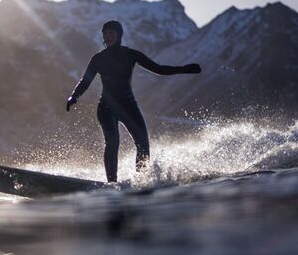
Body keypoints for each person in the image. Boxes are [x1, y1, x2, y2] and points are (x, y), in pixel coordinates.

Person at [66, 20, 201, 182]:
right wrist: (74, 96)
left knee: (143, 143)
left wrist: (183, 69)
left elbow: (158, 69)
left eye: (111, 33)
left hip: (128, 106)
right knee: (112, 143)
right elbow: (85, 81)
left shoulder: (131, 55)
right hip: (106, 108)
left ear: (119, 35)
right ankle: (112, 183)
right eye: (105, 33)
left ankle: (141, 180)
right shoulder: (98, 59)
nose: (107, 36)